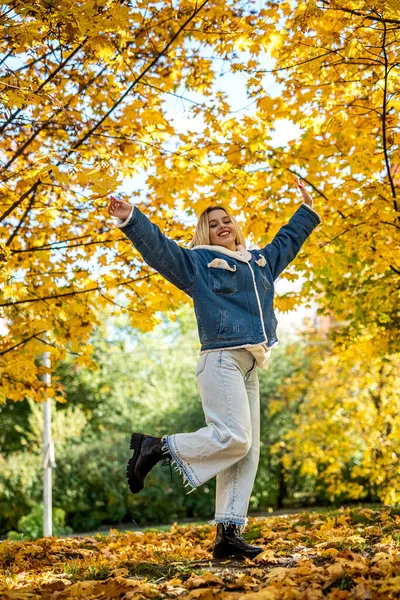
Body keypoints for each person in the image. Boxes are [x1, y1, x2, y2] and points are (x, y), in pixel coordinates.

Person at [107, 180, 321, 559]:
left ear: (236, 226)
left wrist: (306, 209)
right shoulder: (198, 265)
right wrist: (132, 219)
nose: (223, 226)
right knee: (235, 438)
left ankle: (228, 535)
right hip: (220, 359)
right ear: (205, 233)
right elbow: (161, 250)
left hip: (250, 365)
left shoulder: (259, 262)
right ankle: (156, 447)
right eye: (213, 223)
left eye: (227, 220)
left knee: (246, 451)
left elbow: (287, 241)